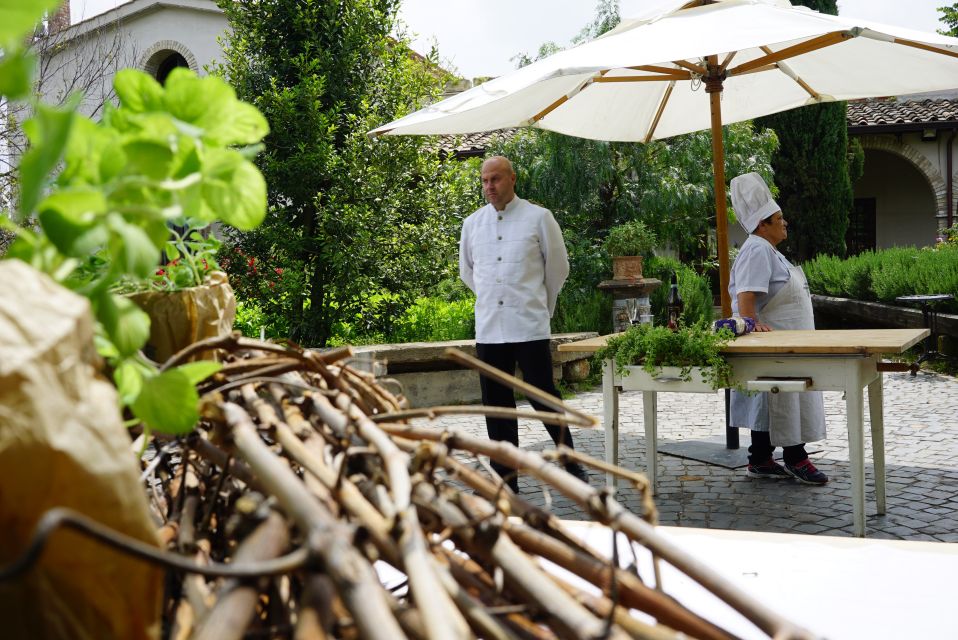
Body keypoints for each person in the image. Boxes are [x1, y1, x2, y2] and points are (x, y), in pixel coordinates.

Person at [459, 155, 588, 493]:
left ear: (512, 179)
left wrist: (537, 305)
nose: (490, 186)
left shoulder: (538, 218)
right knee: (496, 403)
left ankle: (570, 459)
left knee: (543, 395)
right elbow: (468, 272)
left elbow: (557, 269)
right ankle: (504, 476)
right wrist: (493, 298)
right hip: (489, 327)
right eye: (485, 180)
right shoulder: (472, 224)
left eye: (496, 179)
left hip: (528, 325)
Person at [728, 172, 829, 485]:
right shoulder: (757, 249)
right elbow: (747, 297)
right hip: (777, 347)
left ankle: (760, 459)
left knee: (776, 401)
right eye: (779, 218)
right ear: (763, 224)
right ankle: (796, 458)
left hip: (790, 344)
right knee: (783, 399)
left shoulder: (768, 250)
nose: (785, 223)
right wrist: (753, 323)